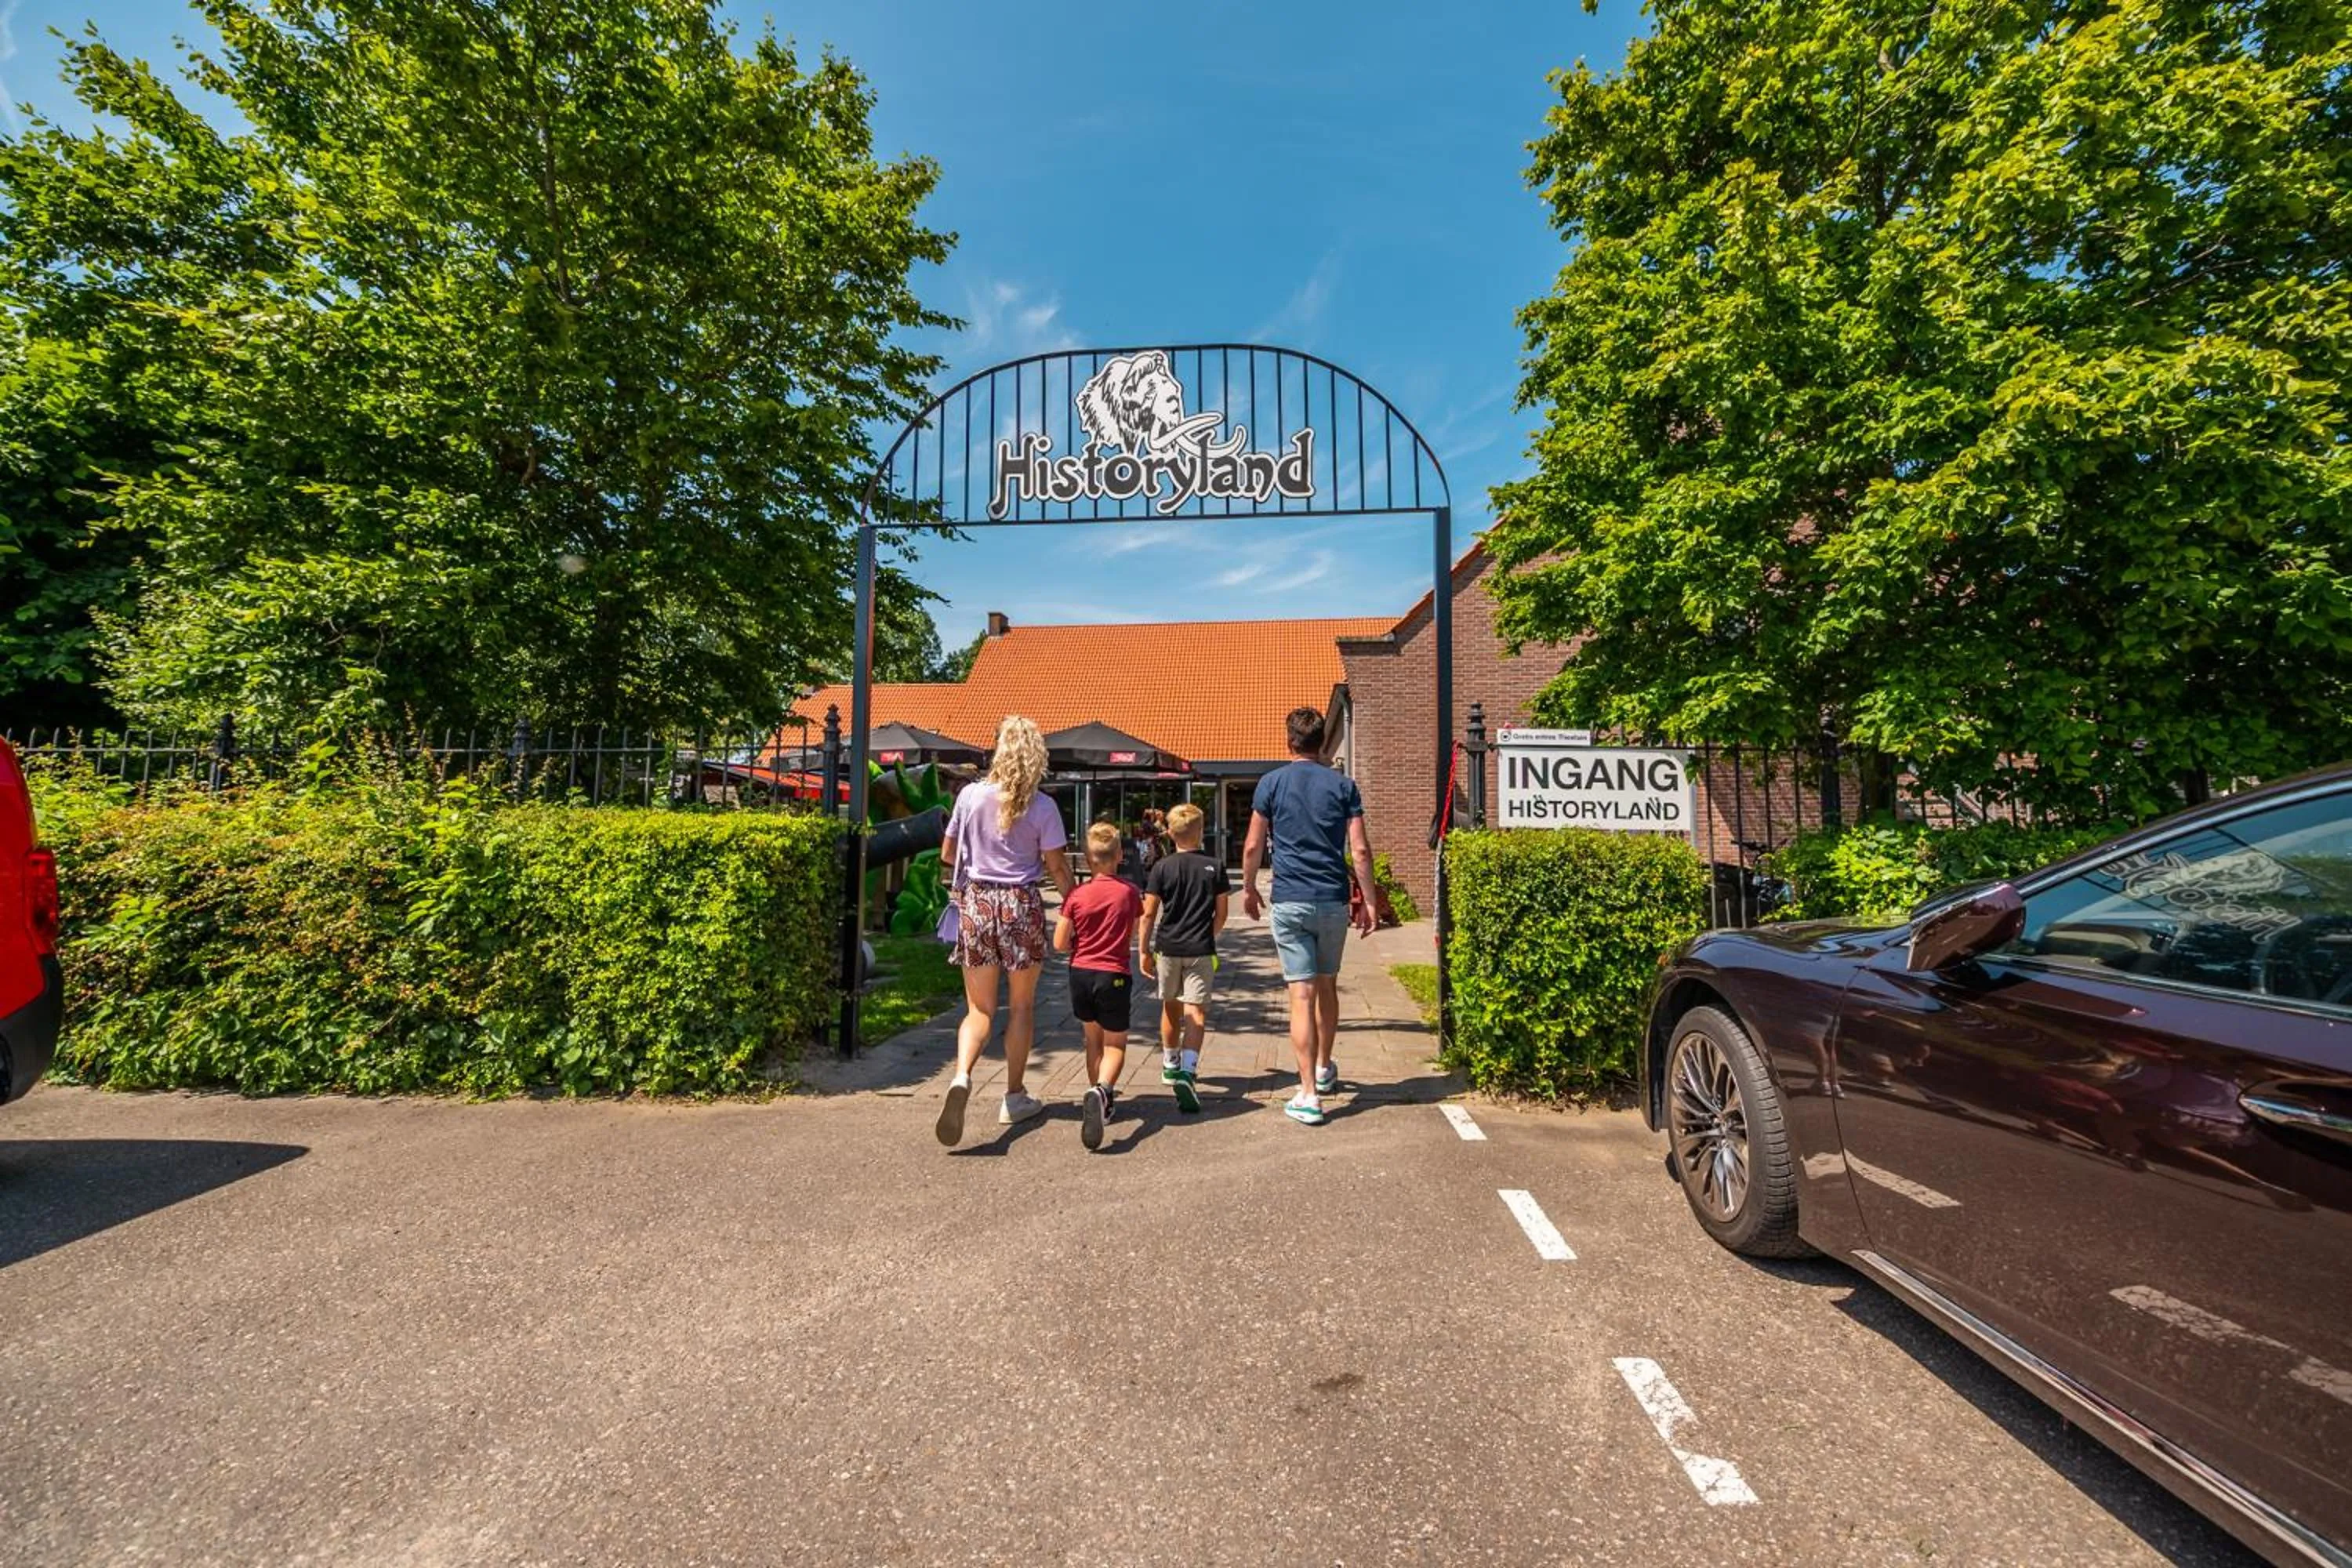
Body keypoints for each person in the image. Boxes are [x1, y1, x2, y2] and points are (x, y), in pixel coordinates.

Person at [935, 715, 1074, 1147]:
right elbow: (1056, 866)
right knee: (1022, 1007)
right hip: (1021, 906)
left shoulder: (970, 796)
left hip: (977, 902)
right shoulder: (1043, 806)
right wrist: (1075, 902)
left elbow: (946, 853)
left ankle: (961, 1076)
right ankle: (1013, 1096)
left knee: (979, 1010)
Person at [1242, 707, 1377, 1126]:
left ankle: (1308, 1094)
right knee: (1327, 985)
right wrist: (1369, 901)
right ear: (1322, 743)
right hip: (1332, 900)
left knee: (1300, 995)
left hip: (1289, 899)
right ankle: (1324, 1066)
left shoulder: (1271, 784)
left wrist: (1247, 889)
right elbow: (1360, 850)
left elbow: (1252, 845)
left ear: (1290, 742)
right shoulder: (1344, 786)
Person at [1053, 822, 1142, 1152]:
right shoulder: (1130, 893)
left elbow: (1060, 942)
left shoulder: (1077, 896)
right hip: (1114, 973)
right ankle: (1103, 1091)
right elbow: (1133, 932)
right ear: (1119, 856)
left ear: (1088, 860)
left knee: (1092, 1039)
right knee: (1115, 1043)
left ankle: (1098, 1098)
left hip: (1080, 973)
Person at [1140, 802, 1230, 1116]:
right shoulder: (1215, 866)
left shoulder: (1161, 868)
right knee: (1197, 1011)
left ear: (1170, 834)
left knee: (1170, 1006)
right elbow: (1222, 914)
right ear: (1201, 832)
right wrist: (1209, 935)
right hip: (1200, 948)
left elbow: (1149, 913)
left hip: (1167, 947)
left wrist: (1143, 950)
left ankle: (1169, 1063)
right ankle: (1189, 1071)